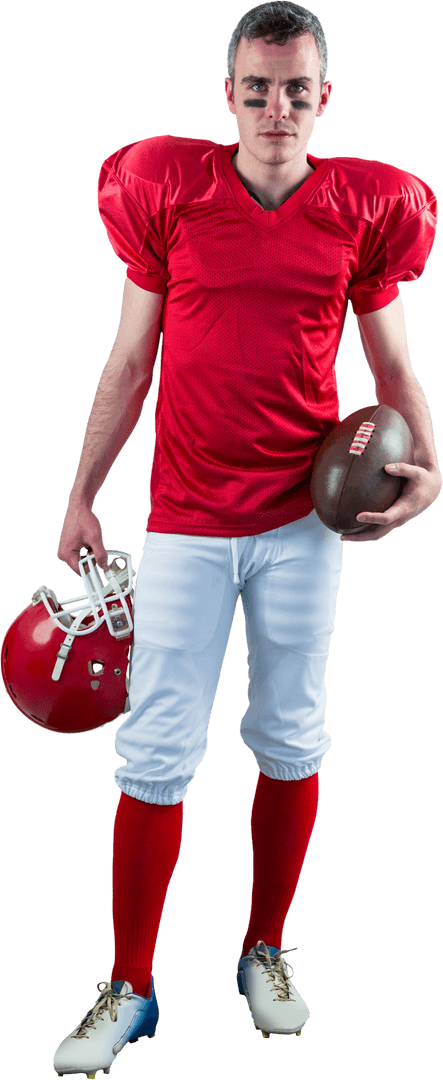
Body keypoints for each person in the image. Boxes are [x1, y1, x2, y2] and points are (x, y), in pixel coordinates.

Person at [52, 2, 440, 1074]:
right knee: (156, 746)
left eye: (297, 88)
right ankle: (129, 987)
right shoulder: (169, 191)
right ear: (228, 93)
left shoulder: (364, 207)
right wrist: (83, 492)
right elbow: (130, 360)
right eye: (258, 88)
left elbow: (391, 372)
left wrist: (432, 463)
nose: (278, 107)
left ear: (324, 97)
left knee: (291, 729)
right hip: (182, 512)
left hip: (303, 519)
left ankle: (264, 949)